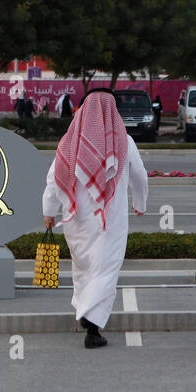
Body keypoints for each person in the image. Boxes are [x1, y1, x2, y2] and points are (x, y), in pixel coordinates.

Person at [42, 90, 148, 349]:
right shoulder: (124, 142)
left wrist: (48, 211)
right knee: (105, 270)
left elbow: (52, 180)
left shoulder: (69, 143)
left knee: (84, 269)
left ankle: (86, 312)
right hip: (109, 222)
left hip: (75, 220)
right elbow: (141, 176)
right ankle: (91, 323)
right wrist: (140, 203)